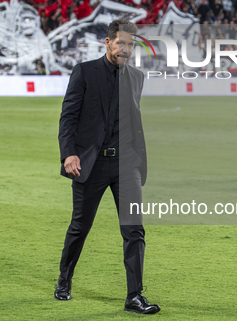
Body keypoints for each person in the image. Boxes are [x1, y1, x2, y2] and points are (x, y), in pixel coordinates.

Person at [55, 20, 160, 314]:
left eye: (130, 44)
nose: (125, 49)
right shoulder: (85, 72)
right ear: (108, 42)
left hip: (127, 164)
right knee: (80, 226)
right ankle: (64, 281)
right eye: (121, 43)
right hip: (92, 163)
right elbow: (68, 117)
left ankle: (134, 296)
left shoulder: (137, 77)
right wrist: (69, 154)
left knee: (134, 230)